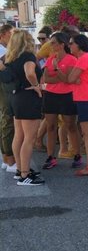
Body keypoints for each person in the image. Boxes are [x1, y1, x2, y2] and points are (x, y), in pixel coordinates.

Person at [56, 34, 88, 175]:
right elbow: (74, 79)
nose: (69, 45)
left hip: (86, 99)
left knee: (87, 135)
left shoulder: (83, 59)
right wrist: (76, 80)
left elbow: (70, 78)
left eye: (71, 43)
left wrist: (59, 69)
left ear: (79, 45)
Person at [2, 30, 44, 185]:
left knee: (19, 135)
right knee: (29, 138)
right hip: (27, 98)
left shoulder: (11, 58)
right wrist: (36, 86)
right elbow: (30, 73)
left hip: (15, 97)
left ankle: (20, 170)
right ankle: (25, 175)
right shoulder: (28, 56)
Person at [41, 33, 81, 170]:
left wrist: (57, 69)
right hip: (51, 95)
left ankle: (77, 154)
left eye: (53, 43)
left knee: (70, 125)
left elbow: (68, 79)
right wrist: (59, 76)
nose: (50, 45)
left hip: (67, 95)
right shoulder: (50, 59)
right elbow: (46, 78)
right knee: (50, 126)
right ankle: (51, 157)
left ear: (61, 44)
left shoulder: (71, 59)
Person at [0, 24, 16, 174]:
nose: (14, 36)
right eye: (12, 33)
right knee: (7, 121)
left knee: (5, 121)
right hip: (5, 89)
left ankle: (6, 157)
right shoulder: (3, 51)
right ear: (3, 34)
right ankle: (10, 159)